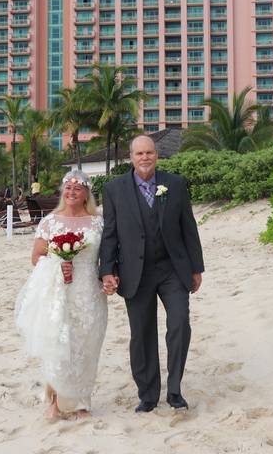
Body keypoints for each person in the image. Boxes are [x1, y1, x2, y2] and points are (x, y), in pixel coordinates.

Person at [99, 135, 204, 412]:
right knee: (142, 334)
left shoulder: (176, 184)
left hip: (172, 269)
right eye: (139, 153)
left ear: (157, 155)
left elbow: (188, 228)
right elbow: (109, 234)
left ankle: (175, 389)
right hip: (136, 272)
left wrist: (196, 267)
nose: (145, 158)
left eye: (149, 152)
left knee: (180, 323)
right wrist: (107, 270)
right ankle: (147, 395)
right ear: (131, 157)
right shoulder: (114, 189)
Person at [15, 170, 108, 419]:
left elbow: (109, 257)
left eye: (77, 188)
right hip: (58, 291)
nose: (71, 192)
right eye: (68, 188)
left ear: (86, 193)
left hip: (89, 291)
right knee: (58, 343)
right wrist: (58, 265)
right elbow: (36, 257)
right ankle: (55, 401)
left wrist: (110, 277)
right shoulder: (50, 221)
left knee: (86, 345)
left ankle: (81, 403)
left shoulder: (99, 222)